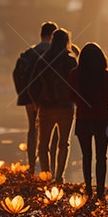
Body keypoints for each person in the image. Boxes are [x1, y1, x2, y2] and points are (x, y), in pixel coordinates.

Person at [31, 28, 78, 182]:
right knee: (64, 144)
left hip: (46, 107)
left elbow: (33, 86)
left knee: (43, 144)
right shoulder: (71, 60)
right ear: (67, 42)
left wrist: (38, 103)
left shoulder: (42, 60)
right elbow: (76, 85)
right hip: (66, 108)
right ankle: (59, 177)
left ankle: (46, 174)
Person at [69, 42, 108, 199]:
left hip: (83, 119)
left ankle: (88, 189)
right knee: (101, 157)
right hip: (102, 119)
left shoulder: (75, 74)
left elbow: (71, 96)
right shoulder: (106, 74)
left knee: (86, 156)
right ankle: (100, 192)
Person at [13, 21, 59, 169]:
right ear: (53, 36)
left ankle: (31, 164)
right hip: (48, 98)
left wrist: (23, 94)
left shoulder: (29, 52)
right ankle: (51, 166)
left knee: (32, 128)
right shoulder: (55, 52)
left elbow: (16, 73)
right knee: (52, 132)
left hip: (28, 96)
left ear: (41, 34)